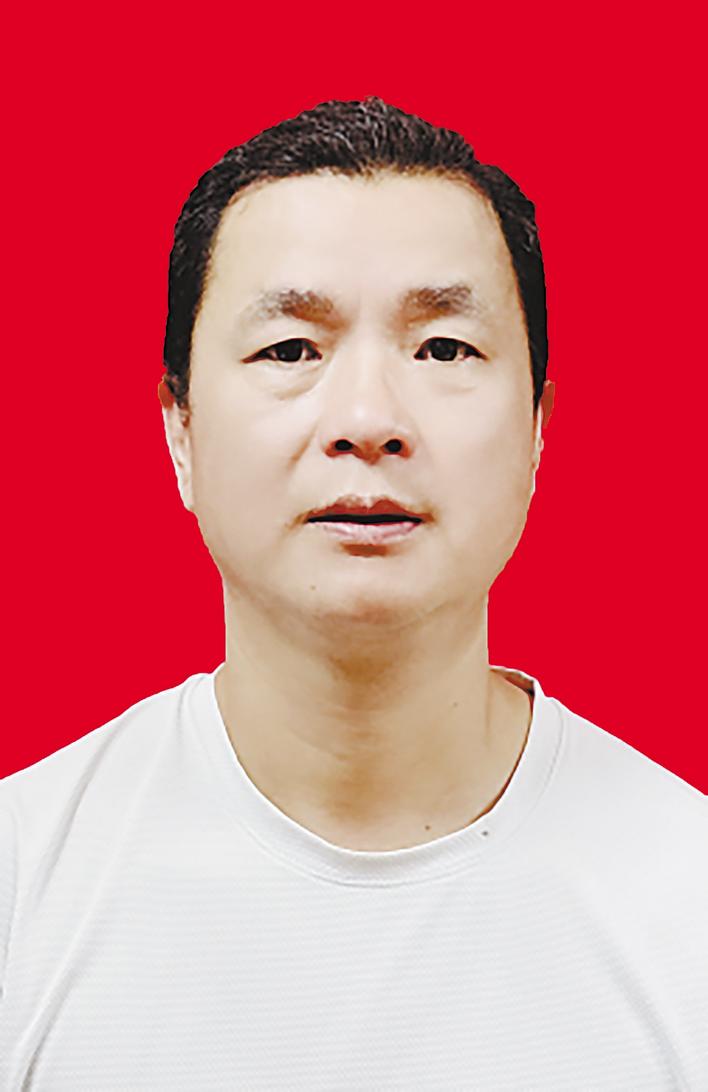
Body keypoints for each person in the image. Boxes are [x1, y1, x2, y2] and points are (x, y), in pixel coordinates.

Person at [0, 97, 705, 1090]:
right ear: (179, 432)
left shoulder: (686, 898)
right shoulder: (23, 883)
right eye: (290, 350)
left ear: (539, 430)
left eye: (444, 349)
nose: (369, 419)